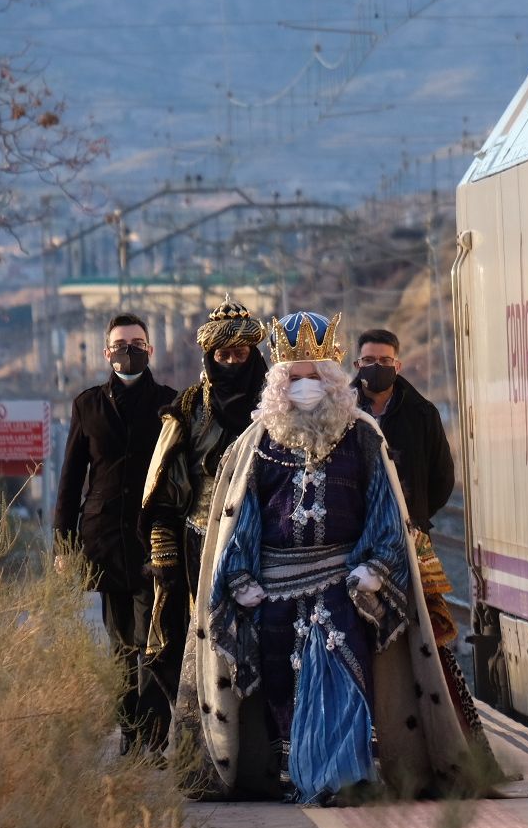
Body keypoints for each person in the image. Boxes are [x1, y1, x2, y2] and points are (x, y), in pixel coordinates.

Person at [170, 310, 491, 802]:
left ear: (334, 378)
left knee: (344, 672)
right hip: (273, 583)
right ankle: (293, 768)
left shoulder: (362, 434)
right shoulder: (256, 442)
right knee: (280, 679)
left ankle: (344, 775)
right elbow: (242, 512)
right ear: (279, 381)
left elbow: (385, 505)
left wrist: (376, 564)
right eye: (296, 378)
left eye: (315, 376)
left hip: (342, 577)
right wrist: (238, 576)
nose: (305, 386)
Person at [139, 300, 269, 740]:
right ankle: (211, 744)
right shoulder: (189, 409)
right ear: (209, 357)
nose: (232, 362)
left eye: (241, 354)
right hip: (204, 545)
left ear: (254, 354)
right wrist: (165, 555)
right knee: (209, 644)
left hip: (270, 545)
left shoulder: (276, 407)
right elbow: (161, 493)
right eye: (223, 356)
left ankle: (267, 747)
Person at [54, 312, 177, 753]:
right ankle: (129, 732)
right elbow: (70, 480)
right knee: (120, 643)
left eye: (138, 342)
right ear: (107, 352)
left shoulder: (170, 403)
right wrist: (62, 542)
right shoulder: (88, 405)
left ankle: (154, 738)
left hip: (155, 538)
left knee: (154, 641)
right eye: (122, 343)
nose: (130, 349)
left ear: (150, 348)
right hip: (104, 537)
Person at [352, 328, 457, 645]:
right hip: (353, 539)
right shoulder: (340, 413)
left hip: (410, 540)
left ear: (397, 365)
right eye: (369, 360)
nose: (377, 366)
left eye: (385, 360)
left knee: (414, 628)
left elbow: (442, 477)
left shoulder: (422, 413)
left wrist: (417, 514)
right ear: (357, 365)